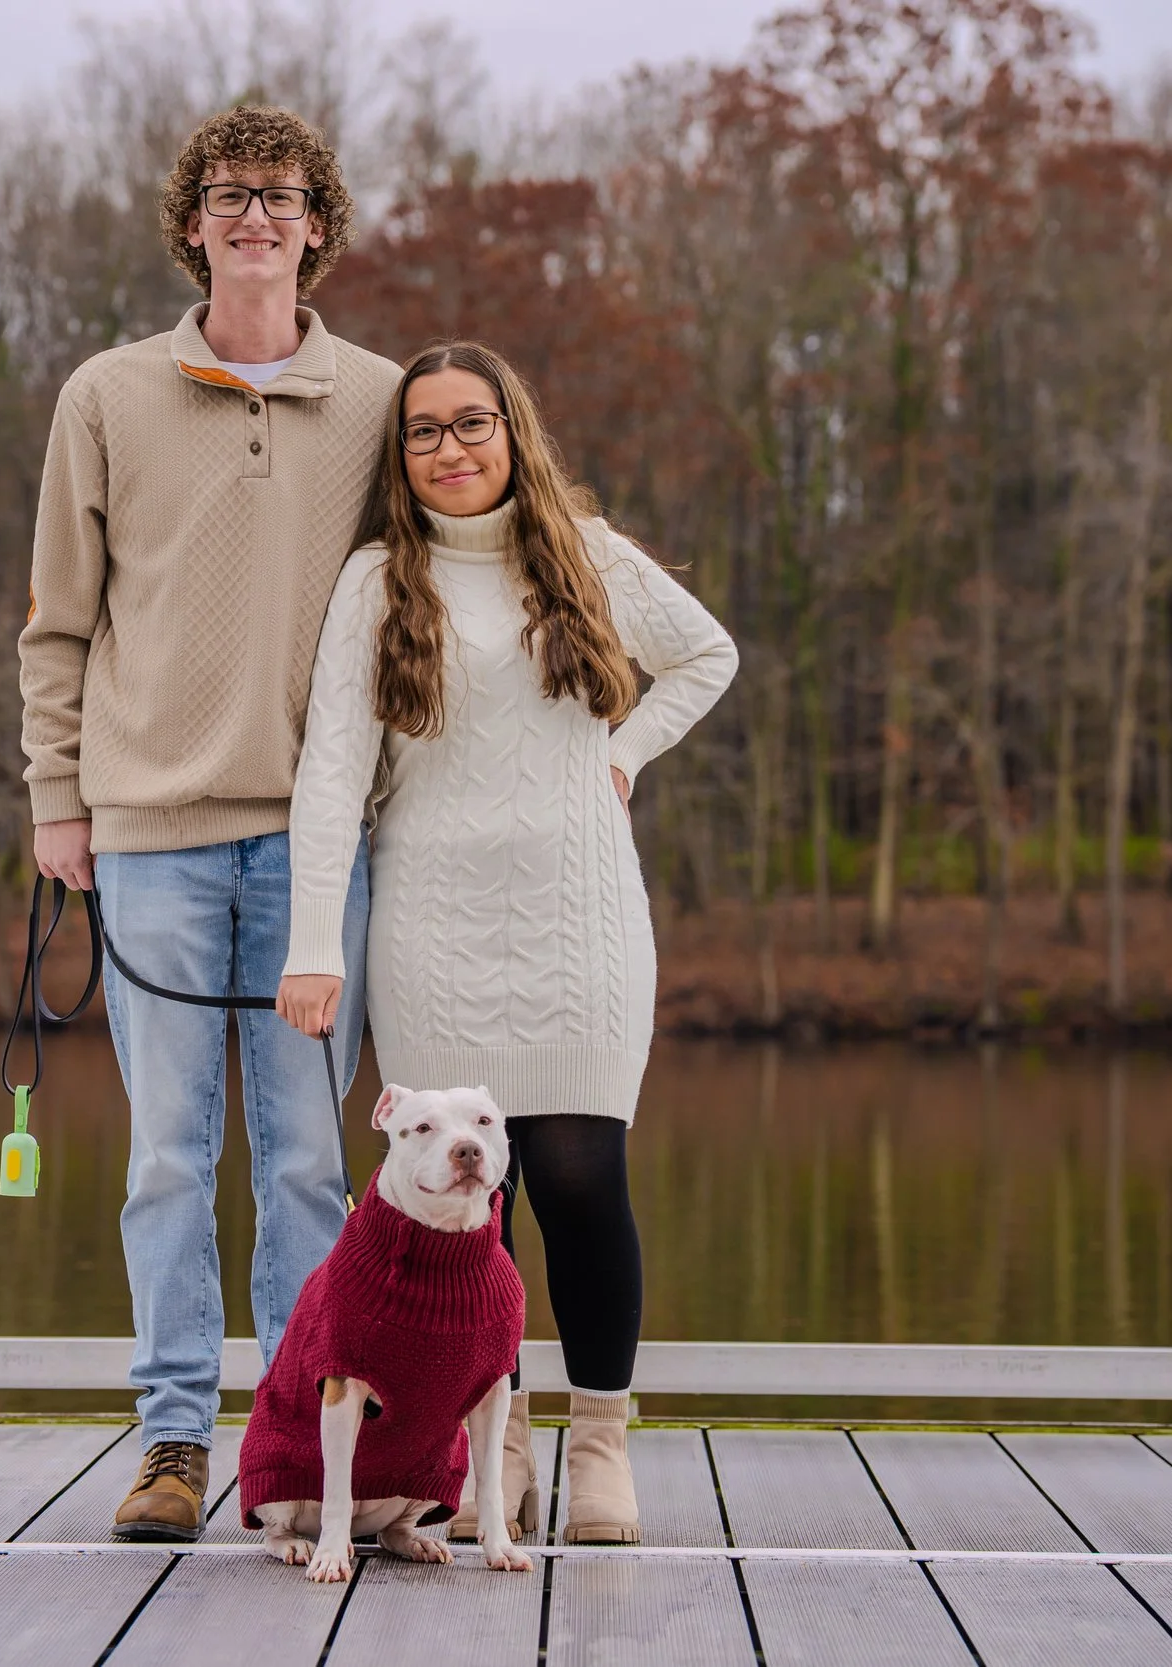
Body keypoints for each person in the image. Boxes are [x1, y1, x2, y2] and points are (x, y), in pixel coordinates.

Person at [275, 340, 738, 1544]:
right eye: (423, 430)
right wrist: (313, 941)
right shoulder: (377, 580)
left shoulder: (587, 553)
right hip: (431, 923)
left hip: (580, 917)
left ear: (510, 428)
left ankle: (602, 1447)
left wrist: (623, 753)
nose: (450, 448)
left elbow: (708, 654)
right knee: (470, 1204)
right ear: (401, 455)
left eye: (470, 422)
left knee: (580, 1180)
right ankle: (502, 1446)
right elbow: (331, 771)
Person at [17, 106, 400, 1543]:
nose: (254, 214)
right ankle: (173, 1439)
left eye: (281, 195)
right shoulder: (106, 394)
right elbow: (58, 622)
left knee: (307, 1160)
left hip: (320, 844)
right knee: (167, 1158)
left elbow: (431, 606)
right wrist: (58, 795)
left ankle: (296, 1446)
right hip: (149, 835)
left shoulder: (380, 399)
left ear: (318, 225)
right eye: (229, 194)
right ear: (194, 224)